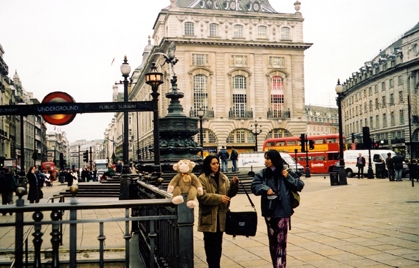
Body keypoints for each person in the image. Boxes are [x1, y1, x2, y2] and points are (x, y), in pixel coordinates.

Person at [251, 149, 304, 268]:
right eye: (265, 158)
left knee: (281, 241)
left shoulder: (286, 171)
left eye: (268, 158)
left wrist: (288, 177)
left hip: (283, 211)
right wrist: (265, 189)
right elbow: (254, 186)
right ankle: (276, 264)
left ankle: (280, 266)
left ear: (274, 160)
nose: (266, 161)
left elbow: (300, 185)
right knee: (273, 242)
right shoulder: (263, 173)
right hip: (269, 211)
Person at [197, 155, 239, 268]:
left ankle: (216, 265)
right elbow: (202, 196)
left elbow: (229, 194)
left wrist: (234, 185)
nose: (216, 166)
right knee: (210, 245)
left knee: (218, 245)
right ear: (208, 165)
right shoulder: (202, 179)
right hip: (209, 218)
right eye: (213, 164)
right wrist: (219, 198)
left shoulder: (223, 177)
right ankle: (213, 265)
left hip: (221, 218)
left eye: (217, 163)